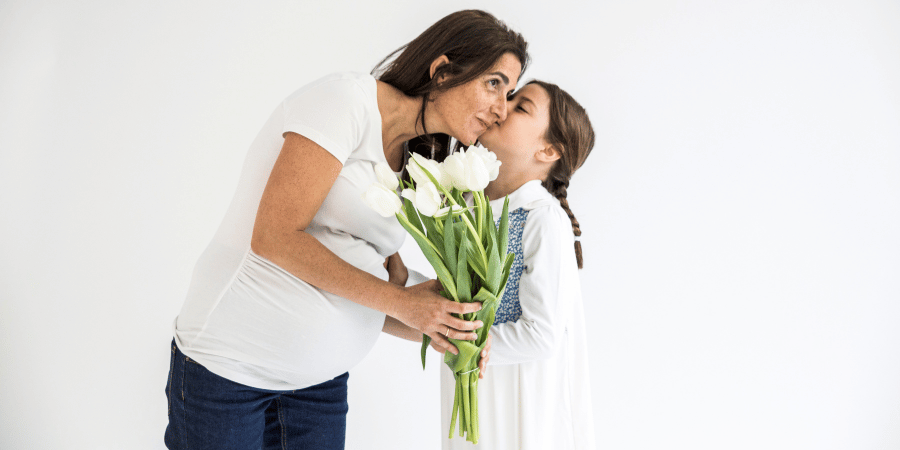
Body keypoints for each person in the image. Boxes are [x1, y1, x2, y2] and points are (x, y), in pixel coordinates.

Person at [164, 10, 528, 450]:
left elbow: (380, 285)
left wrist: (442, 327)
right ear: (443, 71)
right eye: (494, 83)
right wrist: (407, 305)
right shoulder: (346, 102)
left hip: (318, 387)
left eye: (509, 93)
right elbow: (274, 236)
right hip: (230, 372)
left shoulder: (422, 164)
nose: (501, 110)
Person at [441, 80, 597, 449]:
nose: (502, 105)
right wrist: (402, 280)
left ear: (548, 150)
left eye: (521, 105)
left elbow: (541, 335)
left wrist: (466, 344)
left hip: (520, 402)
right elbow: (450, 301)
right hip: (473, 389)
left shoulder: (541, 218)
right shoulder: (463, 205)